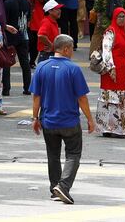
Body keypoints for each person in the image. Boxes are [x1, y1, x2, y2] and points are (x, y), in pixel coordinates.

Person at [29, 34, 94, 205]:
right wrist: (90, 119)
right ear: (65, 49)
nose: (72, 52)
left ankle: (55, 187)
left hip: (48, 121)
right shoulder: (73, 69)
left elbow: (36, 97)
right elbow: (82, 98)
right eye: (72, 49)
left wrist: (35, 118)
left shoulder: (41, 67)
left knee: (53, 155)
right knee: (73, 154)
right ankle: (63, 186)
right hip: (69, 121)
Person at [96, 8, 125, 138]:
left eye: (124, 16)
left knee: (119, 100)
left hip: (122, 70)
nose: (122, 19)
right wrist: (111, 67)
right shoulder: (110, 32)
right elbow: (106, 50)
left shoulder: (122, 32)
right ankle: (107, 128)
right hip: (112, 70)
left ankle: (118, 129)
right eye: (119, 17)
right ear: (115, 18)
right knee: (108, 100)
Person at [2, 0, 32, 96]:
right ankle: (27, 88)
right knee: (25, 63)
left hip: (11, 36)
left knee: (7, 62)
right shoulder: (26, 2)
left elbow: (4, 21)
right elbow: (28, 18)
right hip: (24, 35)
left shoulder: (7, 3)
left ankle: (6, 89)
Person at [19, 0, 45, 68]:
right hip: (25, 17)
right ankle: (25, 60)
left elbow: (47, 0)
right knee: (25, 40)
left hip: (38, 17)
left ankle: (32, 61)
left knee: (35, 40)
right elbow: (17, 0)